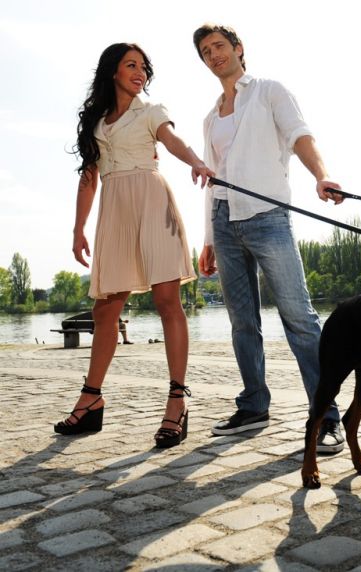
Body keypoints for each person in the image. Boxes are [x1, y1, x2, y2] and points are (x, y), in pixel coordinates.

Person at [192, 23, 345, 452]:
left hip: (269, 218)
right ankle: (254, 405)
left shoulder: (269, 91)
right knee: (242, 321)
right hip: (224, 220)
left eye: (219, 46)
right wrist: (209, 237)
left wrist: (321, 175)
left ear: (238, 48)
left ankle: (326, 415)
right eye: (205, 52)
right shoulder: (210, 117)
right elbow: (213, 179)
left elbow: (300, 136)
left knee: (299, 318)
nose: (213, 55)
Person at [54, 43, 213, 449]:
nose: (140, 72)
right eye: (131, 65)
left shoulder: (151, 111)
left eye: (143, 66)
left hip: (152, 203)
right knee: (105, 309)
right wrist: (78, 229)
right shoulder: (96, 123)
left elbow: (172, 140)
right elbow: (89, 178)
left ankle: (177, 401)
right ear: (113, 71)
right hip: (115, 212)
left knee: (167, 301)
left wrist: (196, 161)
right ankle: (91, 398)